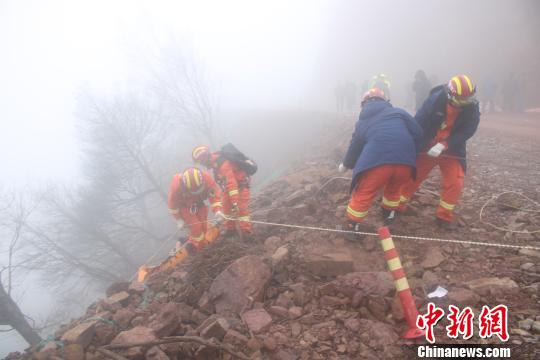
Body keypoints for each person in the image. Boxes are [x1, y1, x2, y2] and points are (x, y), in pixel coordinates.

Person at [338, 88, 423, 238]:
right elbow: (418, 133)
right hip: (406, 163)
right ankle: (389, 215)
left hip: (378, 164)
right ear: (385, 101)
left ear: (364, 104)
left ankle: (352, 226)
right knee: (394, 188)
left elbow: (355, 146)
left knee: (364, 192)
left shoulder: (363, 122)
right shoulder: (399, 112)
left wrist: (346, 164)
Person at [399, 75, 480, 229]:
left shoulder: (472, 106)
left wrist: (445, 144)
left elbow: (468, 130)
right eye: (461, 100)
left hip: (451, 149)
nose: (464, 104)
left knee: (455, 181)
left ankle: (444, 217)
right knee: (412, 177)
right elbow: (418, 123)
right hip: (427, 147)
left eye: (467, 100)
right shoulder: (435, 101)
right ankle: (396, 207)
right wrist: (415, 145)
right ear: (450, 94)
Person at [192, 145, 253, 237]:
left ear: (207, 156)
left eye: (202, 161)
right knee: (226, 208)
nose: (202, 164)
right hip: (229, 189)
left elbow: (231, 183)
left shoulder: (223, 163)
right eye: (200, 162)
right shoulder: (215, 163)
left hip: (241, 186)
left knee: (241, 209)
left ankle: (246, 232)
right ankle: (231, 230)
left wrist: (235, 202)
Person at [168, 167, 224, 252]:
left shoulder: (206, 178)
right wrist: (179, 219)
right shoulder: (176, 187)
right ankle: (201, 249)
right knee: (196, 229)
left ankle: (200, 245)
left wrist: (218, 210)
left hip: (199, 204)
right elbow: (172, 205)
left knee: (204, 228)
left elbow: (214, 195)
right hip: (185, 207)